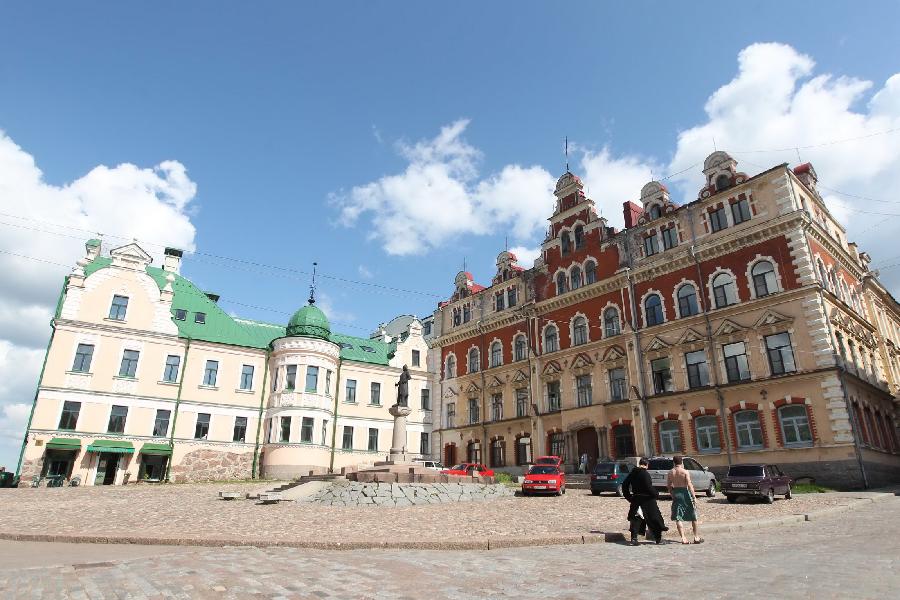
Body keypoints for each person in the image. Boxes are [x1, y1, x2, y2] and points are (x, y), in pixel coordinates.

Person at [621, 457, 667, 545]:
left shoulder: (633, 473)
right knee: (655, 519)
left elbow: (625, 485)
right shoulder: (645, 474)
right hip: (648, 500)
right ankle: (658, 539)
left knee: (636, 518)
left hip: (636, 499)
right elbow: (648, 487)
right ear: (647, 465)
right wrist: (656, 494)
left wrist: (629, 497)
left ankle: (634, 539)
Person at [667, 455, 703, 544]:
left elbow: (668, 486)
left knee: (678, 517)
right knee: (693, 516)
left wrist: (672, 494)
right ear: (682, 462)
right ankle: (696, 537)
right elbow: (689, 485)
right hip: (685, 493)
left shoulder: (670, 472)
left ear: (674, 462)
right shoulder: (685, 472)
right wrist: (694, 497)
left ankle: (683, 538)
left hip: (676, 493)